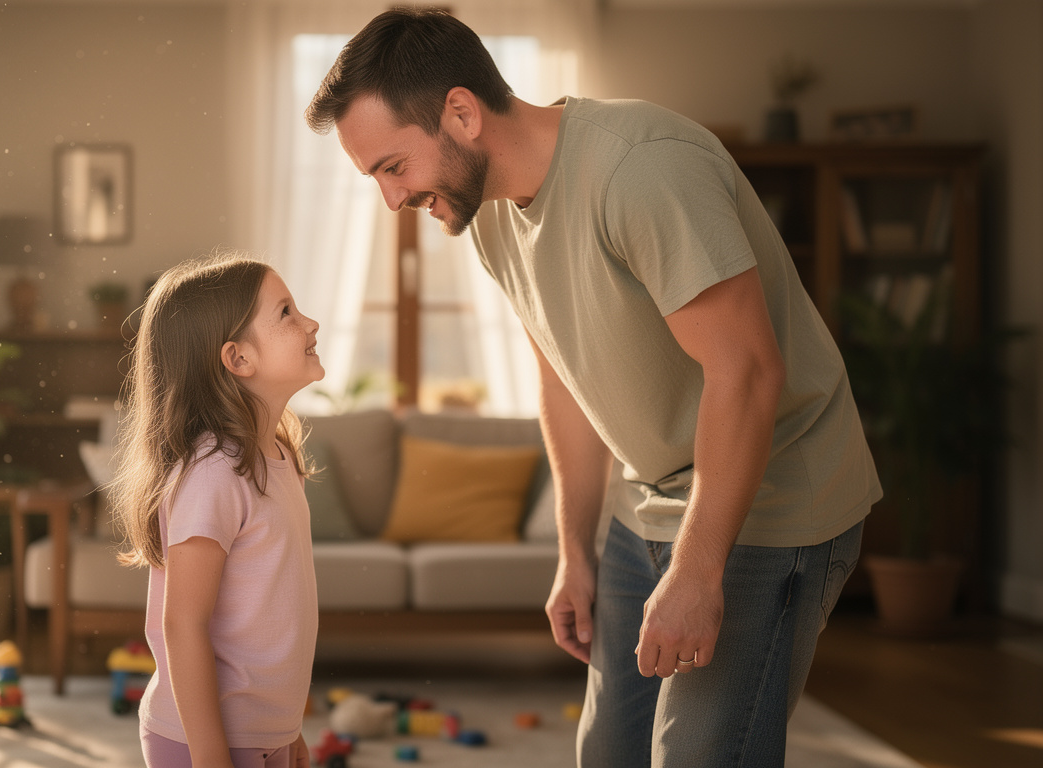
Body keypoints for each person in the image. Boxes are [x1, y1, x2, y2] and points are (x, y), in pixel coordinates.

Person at [306, 8, 881, 767]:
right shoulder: (487, 216)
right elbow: (565, 374)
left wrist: (698, 568)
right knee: (608, 753)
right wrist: (573, 550)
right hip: (645, 502)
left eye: (392, 167)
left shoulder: (640, 169)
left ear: (461, 113)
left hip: (769, 501)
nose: (391, 200)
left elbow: (746, 371)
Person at [111, 252, 322, 768]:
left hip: (260, 734)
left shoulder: (275, 451)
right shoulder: (214, 471)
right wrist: (212, 758)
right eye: (286, 313)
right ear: (239, 359)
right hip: (203, 745)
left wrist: (284, 728)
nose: (311, 322)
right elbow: (183, 622)